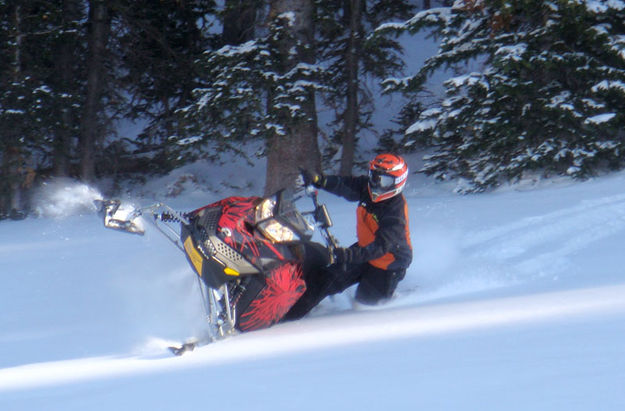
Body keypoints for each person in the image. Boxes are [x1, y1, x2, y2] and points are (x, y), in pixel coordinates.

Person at [283, 153, 412, 320]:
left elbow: (382, 246)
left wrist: (349, 255)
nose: (376, 184)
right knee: (324, 280)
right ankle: (284, 317)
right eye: (374, 177)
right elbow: (346, 185)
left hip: (388, 262)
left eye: (384, 181)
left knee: (364, 307)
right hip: (365, 250)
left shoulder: (395, 212)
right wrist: (319, 180)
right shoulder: (368, 187)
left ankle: (393, 299)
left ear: (397, 183)